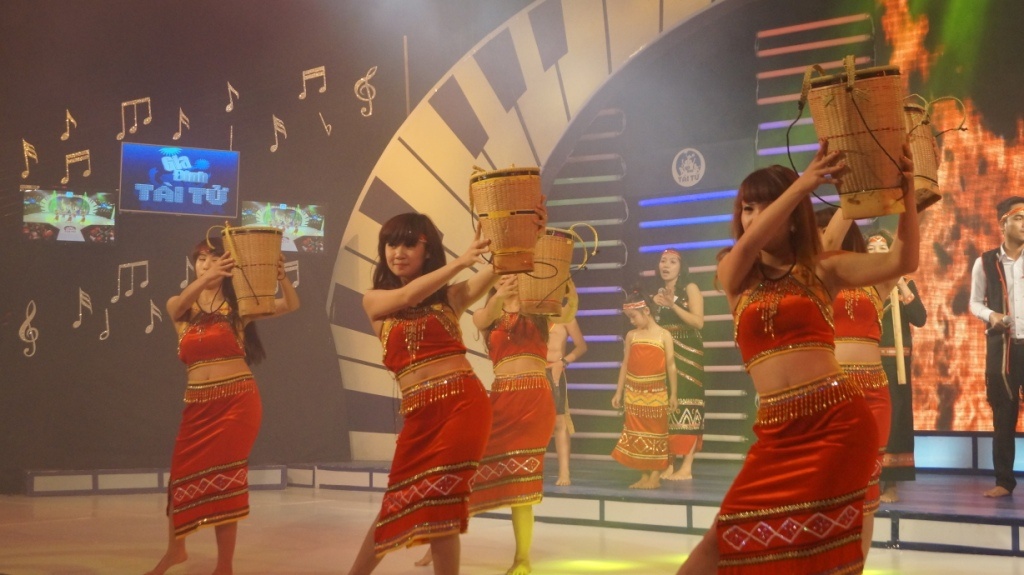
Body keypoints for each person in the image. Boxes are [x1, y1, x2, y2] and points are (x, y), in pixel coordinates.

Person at [676, 139, 919, 574]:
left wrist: (908, 196)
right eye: (747, 208)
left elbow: (904, 259)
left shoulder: (822, 268)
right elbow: (747, 245)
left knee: (822, 554)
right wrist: (802, 186)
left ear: (792, 220)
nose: (754, 217)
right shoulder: (733, 272)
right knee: (717, 545)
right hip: (776, 433)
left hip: (838, 424)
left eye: (766, 207)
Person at [145, 235, 300, 575]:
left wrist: (282, 278)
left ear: (228, 264)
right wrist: (206, 279)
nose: (207, 264)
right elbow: (178, 305)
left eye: (215, 258)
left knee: (226, 480)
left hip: (237, 404)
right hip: (198, 406)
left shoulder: (238, 307)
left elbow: (289, 305)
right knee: (180, 478)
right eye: (201, 259)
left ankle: (224, 566)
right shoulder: (180, 307)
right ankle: (176, 550)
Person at [818, 205, 911, 557]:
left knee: (868, 488)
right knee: (830, 480)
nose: (823, 237)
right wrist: (850, 200)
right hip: (834, 391)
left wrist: (909, 202)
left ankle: (854, 564)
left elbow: (904, 253)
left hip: (875, 393)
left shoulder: (879, 282)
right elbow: (827, 246)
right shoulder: (818, 279)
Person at [467, 273, 557, 575]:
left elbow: (566, 313)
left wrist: (572, 296)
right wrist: (500, 295)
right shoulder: (487, 313)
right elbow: (483, 318)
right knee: (469, 472)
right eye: (503, 270)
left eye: (516, 269)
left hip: (534, 401)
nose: (510, 276)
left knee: (522, 482)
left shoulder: (539, 309)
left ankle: (522, 559)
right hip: (501, 401)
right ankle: (440, 541)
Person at [969, 196, 1024, 498]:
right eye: (1019, 217)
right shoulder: (985, 262)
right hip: (1003, 348)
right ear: (1003, 223)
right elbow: (975, 302)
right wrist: (991, 316)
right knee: (1004, 414)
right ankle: (1004, 481)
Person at [866, 231, 927, 503]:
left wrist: (900, 283)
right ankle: (867, 482)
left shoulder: (905, 284)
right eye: (871, 249)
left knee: (897, 421)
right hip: (867, 361)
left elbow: (920, 319)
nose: (877, 253)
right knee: (869, 421)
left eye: (883, 248)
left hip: (897, 364)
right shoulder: (860, 285)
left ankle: (891, 483)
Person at [611, 292, 678, 489]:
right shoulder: (632, 336)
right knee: (636, 432)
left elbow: (671, 366)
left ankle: (655, 475)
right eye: (629, 318)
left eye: (633, 317)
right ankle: (644, 474)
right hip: (633, 392)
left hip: (656, 392)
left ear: (646, 311)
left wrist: (674, 394)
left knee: (657, 431)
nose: (631, 322)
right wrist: (618, 391)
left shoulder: (664, 335)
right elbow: (625, 364)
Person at [650, 248, 705, 481]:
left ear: (681, 267)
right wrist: (650, 307)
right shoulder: (657, 293)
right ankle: (670, 463)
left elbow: (698, 322)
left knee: (688, 405)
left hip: (688, 352)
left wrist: (672, 305)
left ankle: (687, 467)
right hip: (664, 353)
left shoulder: (690, 288)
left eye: (672, 262)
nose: (666, 265)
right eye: (663, 261)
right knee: (666, 407)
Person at [546, 317, 588, 486]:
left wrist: (563, 362)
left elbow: (581, 346)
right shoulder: (532, 314)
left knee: (560, 422)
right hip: (533, 369)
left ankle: (564, 471)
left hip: (554, 371)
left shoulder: (566, 317)